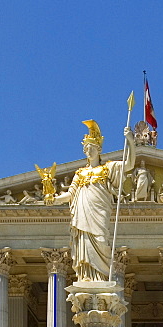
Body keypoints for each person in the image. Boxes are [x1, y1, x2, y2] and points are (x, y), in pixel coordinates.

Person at [50, 120, 135, 282]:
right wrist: (54, 200)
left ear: (99, 149)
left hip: (99, 213)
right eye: (86, 148)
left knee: (101, 241)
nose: (88, 151)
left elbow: (129, 164)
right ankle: (88, 277)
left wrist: (130, 140)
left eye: (91, 148)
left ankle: (100, 279)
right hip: (83, 215)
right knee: (85, 244)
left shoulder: (107, 169)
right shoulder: (79, 174)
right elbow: (70, 194)